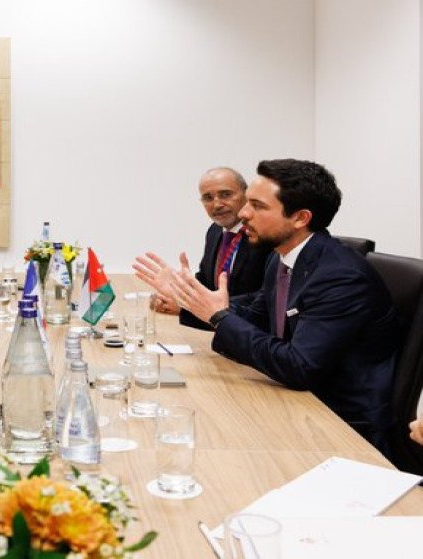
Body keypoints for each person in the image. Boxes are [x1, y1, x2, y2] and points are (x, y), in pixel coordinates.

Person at [135, 159, 397, 450]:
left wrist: (219, 316)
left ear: (300, 218)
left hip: (339, 425)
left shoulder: (340, 276)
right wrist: (191, 302)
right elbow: (257, 315)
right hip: (294, 401)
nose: (243, 213)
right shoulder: (282, 257)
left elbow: (299, 366)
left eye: (257, 206)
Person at [152, 167, 273, 330]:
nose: (217, 204)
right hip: (221, 332)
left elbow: (265, 297)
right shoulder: (215, 231)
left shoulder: (264, 234)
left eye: (226, 194)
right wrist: (178, 291)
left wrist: (189, 307)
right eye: (208, 198)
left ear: (247, 195)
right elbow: (207, 281)